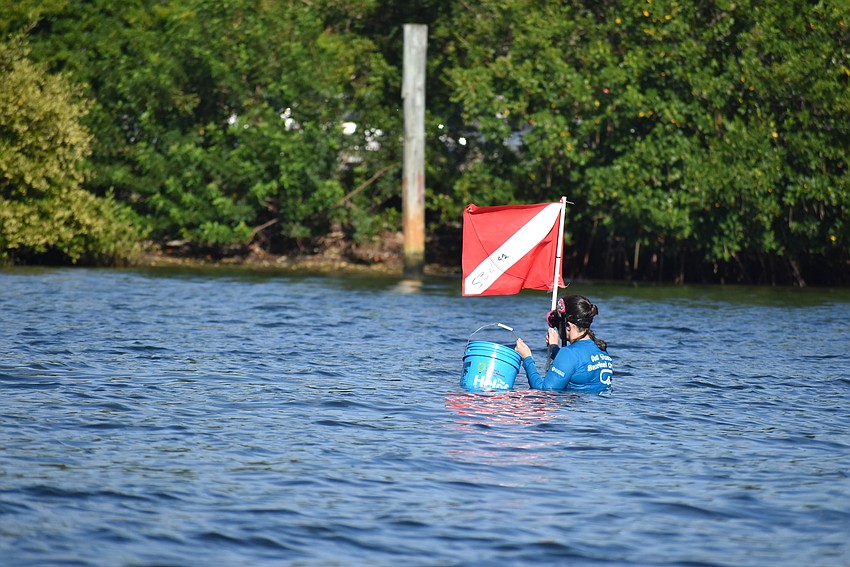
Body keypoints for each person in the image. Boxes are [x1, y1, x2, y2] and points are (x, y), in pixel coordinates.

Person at [515, 295, 613, 393]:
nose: (557, 328)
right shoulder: (601, 350)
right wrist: (553, 348)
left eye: (558, 323)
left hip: (574, 407)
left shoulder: (568, 353)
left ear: (569, 326)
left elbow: (545, 390)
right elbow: (577, 365)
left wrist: (527, 358)